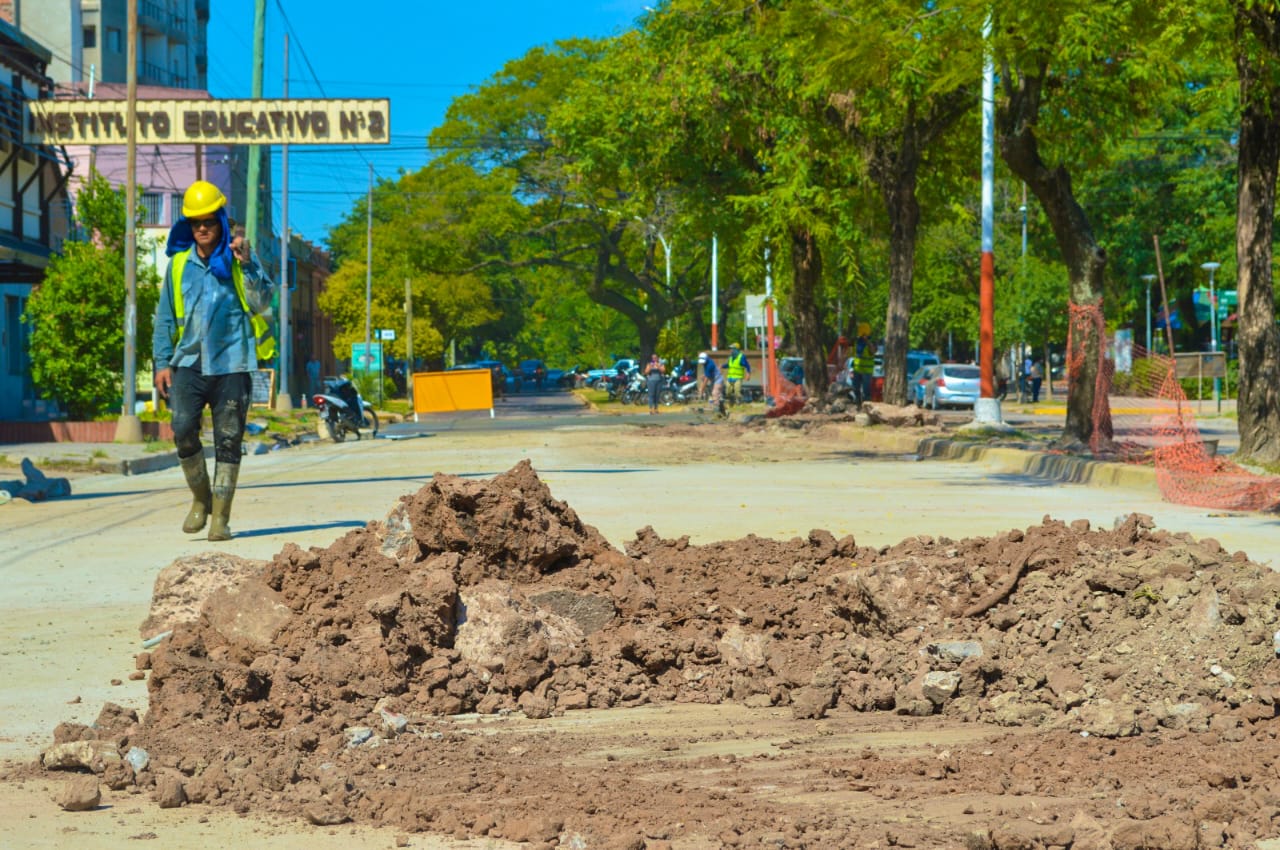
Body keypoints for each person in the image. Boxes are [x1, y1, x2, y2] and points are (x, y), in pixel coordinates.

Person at [153, 180, 274, 542]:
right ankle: (201, 499)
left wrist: (249, 264)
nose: (202, 228)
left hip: (233, 363)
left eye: (208, 221)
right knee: (183, 429)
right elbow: (162, 318)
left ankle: (220, 517)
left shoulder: (240, 262)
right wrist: (161, 362)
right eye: (195, 222)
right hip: (188, 362)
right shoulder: (177, 266)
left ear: (220, 221)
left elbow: (262, 303)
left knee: (228, 440)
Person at [852, 323, 876, 406]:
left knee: (866, 391)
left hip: (867, 371)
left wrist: (867, 342)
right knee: (855, 388)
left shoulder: (871, 342)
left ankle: (866, 406)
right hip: (857, 370)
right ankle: (858, 405)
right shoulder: (857, 343)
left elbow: (873, 351)